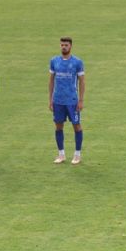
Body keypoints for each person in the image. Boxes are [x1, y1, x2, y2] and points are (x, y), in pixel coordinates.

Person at [49, 36, 85, 164]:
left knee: (76, 126)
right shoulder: (54, 61)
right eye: (62, 45)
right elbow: (51, 80)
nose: (64, 47)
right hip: (58, 100)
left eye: (66, 45)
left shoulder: (77, 62)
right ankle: (61, 154)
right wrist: (50, 99)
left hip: (72, 100)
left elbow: (82, 81)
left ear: (71, 46)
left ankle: (77, 154)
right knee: (58, 126)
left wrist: (80, 100)